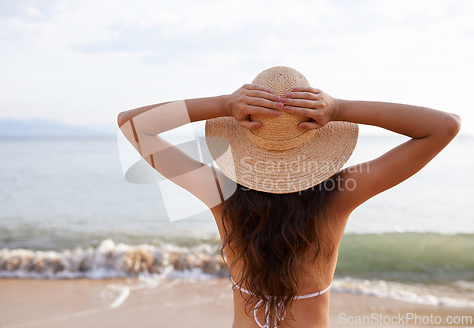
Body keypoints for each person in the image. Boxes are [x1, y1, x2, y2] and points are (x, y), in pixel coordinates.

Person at [117, 66, 461, 328]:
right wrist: (341, 108)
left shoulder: (221, 194)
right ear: (318, 134)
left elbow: (132, 124)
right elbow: (443, 126)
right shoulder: (339, 194)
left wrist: (222, 103)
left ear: (243, 137)